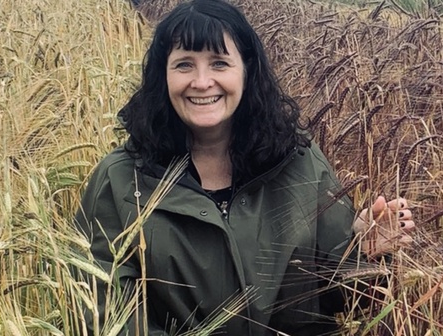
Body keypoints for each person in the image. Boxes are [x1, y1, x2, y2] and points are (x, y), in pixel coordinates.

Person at [75, 0, 415, 335]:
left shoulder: (299, 162)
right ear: (161, 75)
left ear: (247, 71)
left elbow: (332, 296)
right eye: (184, 65)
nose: (202, 81)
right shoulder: (120, 180)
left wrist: (362, 252)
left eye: (219, 63)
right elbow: (102, 312)